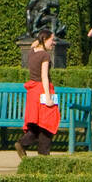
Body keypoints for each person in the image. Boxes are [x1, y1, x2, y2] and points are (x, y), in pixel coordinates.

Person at [16, 30, 60, 158]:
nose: (53, 43)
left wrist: (39, 41)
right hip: (42, 91)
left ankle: (23, 143)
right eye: (51, 40)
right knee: (47, 124)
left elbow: (33, 45)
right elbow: (44, 76)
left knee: (36, 123)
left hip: (33, 92)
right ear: (45, 40)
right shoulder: (45, 56)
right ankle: (43, 155)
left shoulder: (32, 53)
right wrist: (48, 98)